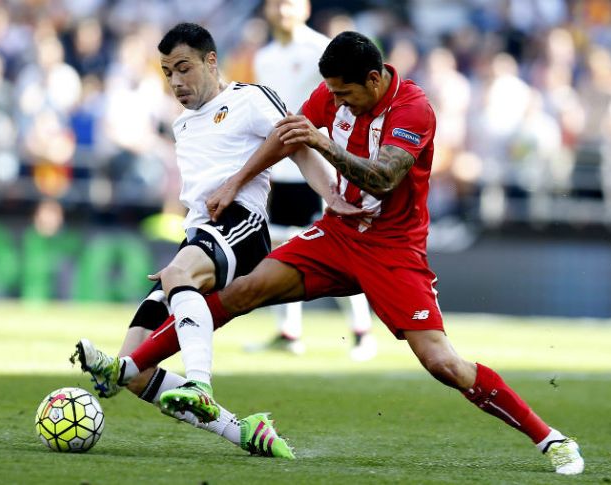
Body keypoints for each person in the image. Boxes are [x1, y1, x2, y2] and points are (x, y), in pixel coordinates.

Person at [84, 31, 585, 475]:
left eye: (345, 94)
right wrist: (236, 181)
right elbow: (287, 136)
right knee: (241, 290)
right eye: (332, 94)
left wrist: (325, 144)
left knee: (442, 363)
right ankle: (128, 367)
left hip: (393, 249)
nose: (336, 102)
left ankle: (551, 438)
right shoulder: (331, 92)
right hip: (338, 234)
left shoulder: (413, 109)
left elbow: (384, 176)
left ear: (374, 79)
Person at [71, 22, 365, 459]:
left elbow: (297, 142)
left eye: (183, 69)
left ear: (211, 61)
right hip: (197, 238)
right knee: (132, 372)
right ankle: (244, 431)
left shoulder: (248, 98)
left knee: (177, 273)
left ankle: (199, 383)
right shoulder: (181, 125)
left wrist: (333, 197)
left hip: (242, 226)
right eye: (168, 72)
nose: (175, 82)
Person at [249, 0, 377, 360]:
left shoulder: (321, 48)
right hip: (280, 165)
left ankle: (362, 331)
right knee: (280, 247)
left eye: (289, 3)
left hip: (316, 166)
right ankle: (289, 332)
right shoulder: (265, 56)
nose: (281, 10)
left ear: (304, 8)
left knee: (334, 249)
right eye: (275, 4)